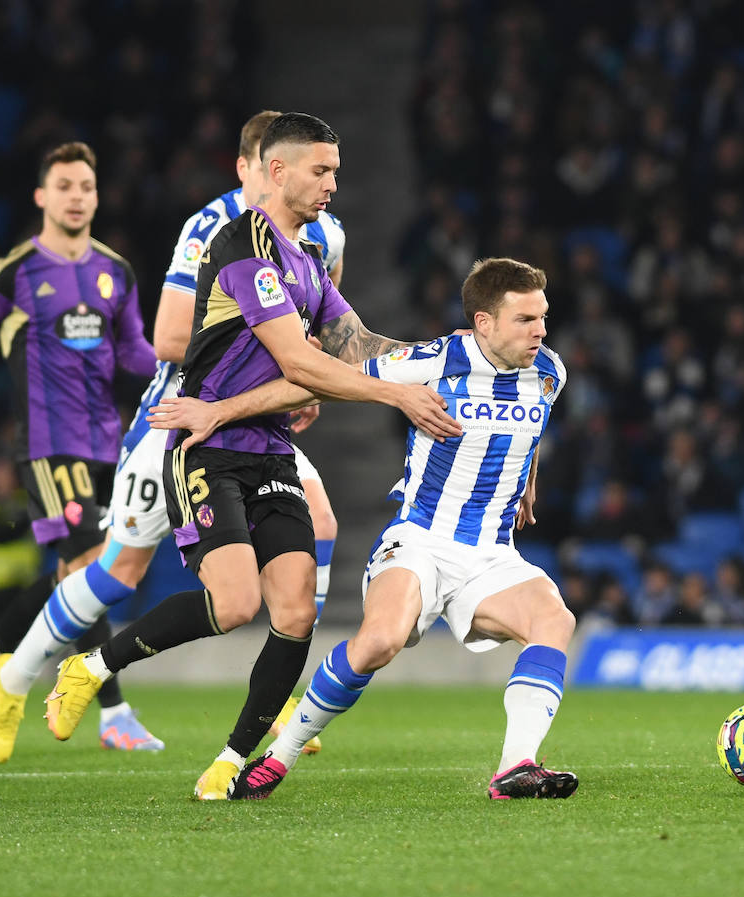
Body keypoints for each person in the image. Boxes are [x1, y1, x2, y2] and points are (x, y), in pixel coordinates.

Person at [43, 113, 460, 798]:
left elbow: (351, 341)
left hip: (271, 450)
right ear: (276, 171)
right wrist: (398, 399)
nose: (333, 184)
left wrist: (445, 360)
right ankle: (91, 665)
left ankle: (232, 760)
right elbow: (301, 360)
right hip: (207, 448)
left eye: (336, 171)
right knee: (235, 602)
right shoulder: (244, 249)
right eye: (321, 170)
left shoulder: (305, 258)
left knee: (296, 611)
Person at [0, 111, 348, 763]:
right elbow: (170, 337)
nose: (282, 182)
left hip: (255, 421)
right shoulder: (211, 229)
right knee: (118, 568)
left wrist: (303, 379)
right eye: (264, 167)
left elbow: (320, 326)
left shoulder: (323, 234)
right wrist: (279, 351)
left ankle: (281, 676)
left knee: (321, 517)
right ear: (251, 168)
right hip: (180, 412)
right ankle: (11, 677)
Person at [150, 257, 578, 801]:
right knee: (379, 641)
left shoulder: (549, 373)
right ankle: (278, 759)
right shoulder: (437, 360)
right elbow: (321, 382)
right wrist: (221, 411)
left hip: (491, 553)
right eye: (525, 320)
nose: (540, 331)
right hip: (420, 540)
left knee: (555, 619)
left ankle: (515, 767)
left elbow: (532, 427)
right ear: (484, 323)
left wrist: (530, 482)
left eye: (543, 317)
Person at [0, 141, 161, 759]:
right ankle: (113, 711)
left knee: (79, 576)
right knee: (96, 564)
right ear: (42, 195)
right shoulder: (14, 271)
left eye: (86, 186)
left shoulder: (116, 270)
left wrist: (184, 359)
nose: (76, 196)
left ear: (96, 195)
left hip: (107, 444)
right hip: (46, 445)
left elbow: (132, 353)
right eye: (64, 185)